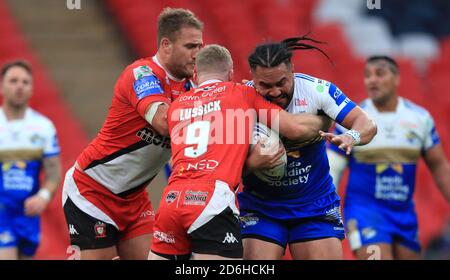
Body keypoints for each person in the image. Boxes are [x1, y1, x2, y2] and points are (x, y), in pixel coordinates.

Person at [149, 44, 330, 260]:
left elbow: (175, 159)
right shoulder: (242, 93)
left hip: (172, 199)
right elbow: (294, 129)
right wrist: (326, 119)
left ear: (195, 74)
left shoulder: (176, 106)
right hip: (211, 199)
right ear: (231, 72)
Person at [62, 7, 204, 260]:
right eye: (191, 46)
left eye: (200, 47)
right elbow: (163, 122)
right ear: (166, 44)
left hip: (134, 199)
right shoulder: (142, 74)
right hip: (92, 192)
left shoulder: (192, 87)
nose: (197, 55)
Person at [239, 36, 377, 260]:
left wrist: (351, 136)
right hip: (261, 207)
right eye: (265, 85)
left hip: (315, 206)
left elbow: (367, 124)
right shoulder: (239, 98)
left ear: (292, 70)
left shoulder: (317, 90)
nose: (274, 92)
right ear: (253, 77)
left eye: (281, 82)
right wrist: (252, 163)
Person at [327, 56, 450, 260]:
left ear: (396, 78)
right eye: (367, 75)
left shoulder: (420, 119)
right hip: (365, 212)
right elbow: (333, 167)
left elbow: (439, 166)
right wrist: (328, 212)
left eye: (380, 73)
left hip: (404, 214)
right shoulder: (353, 120)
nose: (372, 80)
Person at [0, 60, 62, 260]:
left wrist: (43, 196)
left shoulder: (44, 127)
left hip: (28, 216)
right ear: (2, 86)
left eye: (25, 82)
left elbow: (53, 171)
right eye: (13, 81)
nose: (19, 85)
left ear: (31, 89)